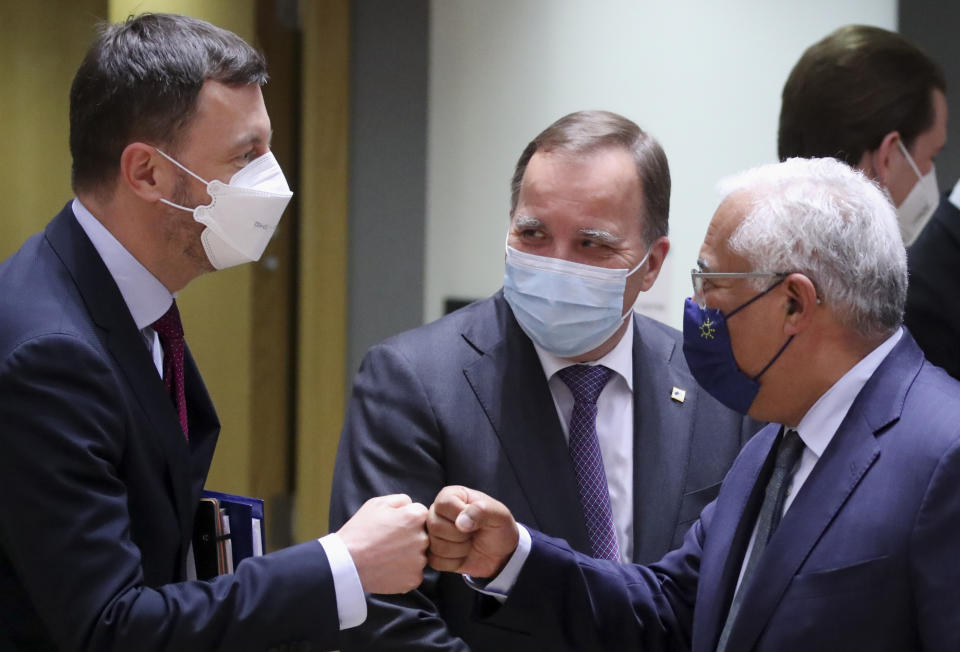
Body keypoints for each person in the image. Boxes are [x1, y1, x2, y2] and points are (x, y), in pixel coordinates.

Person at [0, 14, 428, 651]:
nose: (272, 178)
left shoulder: (125, 296)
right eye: (245, 154)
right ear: (146, 173)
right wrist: (344, 565)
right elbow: (109, 629)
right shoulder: (49, 355)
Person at [427, 157, 960, 652]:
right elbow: (672, 606)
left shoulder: (944, 455)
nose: (696, 312)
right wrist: (512, 558)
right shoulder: (776, 441)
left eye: (710, 284)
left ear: (793, 303)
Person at [329, 110, 760, 650]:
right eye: (532, 233)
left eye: (593, 243)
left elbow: (732, 591)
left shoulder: (715, 381)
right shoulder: (412, 380)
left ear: (651, 265)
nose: (556, 264)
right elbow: (382, 613)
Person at [778, 24, 958, 379]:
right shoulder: (890, 327)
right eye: (931, 156)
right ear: (889, 155)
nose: (930, 175)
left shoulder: (748, 299)